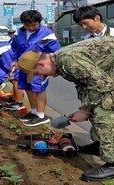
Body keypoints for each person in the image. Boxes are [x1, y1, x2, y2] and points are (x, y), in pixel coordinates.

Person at [18, 36, 114, 182]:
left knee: (104, 111)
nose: (40, 76)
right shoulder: (60, 63)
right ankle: (100, 145)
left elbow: (103, 85)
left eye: (37, 73)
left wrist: (87, 109)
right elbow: (85, 84)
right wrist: (84, 108)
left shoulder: (68, 60)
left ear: (41, 64)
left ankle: (112, 164)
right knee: (95, 106)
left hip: (107, 77)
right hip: (107, 72)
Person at [11, 10, 61, 126]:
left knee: (38, 89)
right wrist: (14, 60)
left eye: (34, 25)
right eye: (28, 25)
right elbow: (14, 48)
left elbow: (56, 51)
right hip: (24, 66)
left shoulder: (47, 34)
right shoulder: (19, 34)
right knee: (28, 88)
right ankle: (33, 112)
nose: (31, 28)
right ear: (23, 23)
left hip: (39, 67)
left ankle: (41, 115)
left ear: (39, 22)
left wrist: (53, 67)